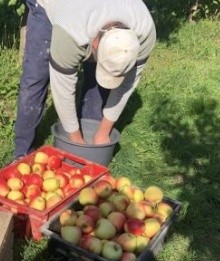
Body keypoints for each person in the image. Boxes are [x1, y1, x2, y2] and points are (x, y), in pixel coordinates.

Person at [13, 0, 157, 160]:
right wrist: (75, 141)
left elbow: (126, 85)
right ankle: (22, 152)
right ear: (94, 44)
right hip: (51, 6)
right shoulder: (70, 32)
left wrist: (103, 131)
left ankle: (90, 135)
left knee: (96, 82)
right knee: (36, 77)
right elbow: (62, 90)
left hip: (89, 13)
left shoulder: (144, 33)